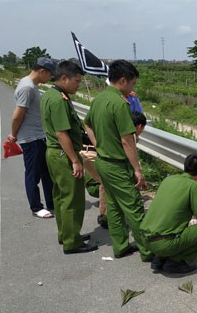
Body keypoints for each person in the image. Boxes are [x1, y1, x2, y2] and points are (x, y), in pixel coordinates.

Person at [83, 60, 151, 261]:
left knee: (113, 206)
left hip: (102, 161)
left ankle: (120, 246)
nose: (132, 88)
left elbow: (87, 124)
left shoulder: (99, 99)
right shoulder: (120, 103)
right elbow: (127, 140)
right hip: (117, 165)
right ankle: (149, 251)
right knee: (134, 206)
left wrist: (98, 144)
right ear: (123, 80)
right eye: (132, 84)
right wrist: (137, 170)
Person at [41, 61, 97, 254]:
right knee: (72, 198)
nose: (78, 85)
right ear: (64, 78)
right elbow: (62, 134)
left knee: (61, 197)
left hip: (55, 153)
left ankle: (66, 234)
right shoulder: (58, 100)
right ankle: (72, 242)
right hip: (63, 153)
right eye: (76, 81)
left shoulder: (51, 94)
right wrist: (74, 160)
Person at [141, 154, 197, 274]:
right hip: (164, 244)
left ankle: (160, 258)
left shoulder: (168, 179)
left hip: (145, 238)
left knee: (171, 228)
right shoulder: (194, 186)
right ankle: (176, 262)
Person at [6, 57, 56, 219]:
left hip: (39, 136)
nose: (50, 78)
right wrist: (13, 134)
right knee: (33, 174)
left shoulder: (30, 84)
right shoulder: (27, 87)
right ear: (42, 71)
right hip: (31, 138)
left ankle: (52, 203)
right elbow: (18, 115)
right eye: (50, 75)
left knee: (46, 173)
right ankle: (36, 207)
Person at [81, 110, 147, 230]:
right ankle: (109, 218)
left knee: (105, 185)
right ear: (139, 126)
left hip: (86, 155)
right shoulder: (128, 135)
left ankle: (104, 215)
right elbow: (129, 155)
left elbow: (86, 123)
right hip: (96, 158)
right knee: (110, 186)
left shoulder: (115, 126)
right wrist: (138, 171)